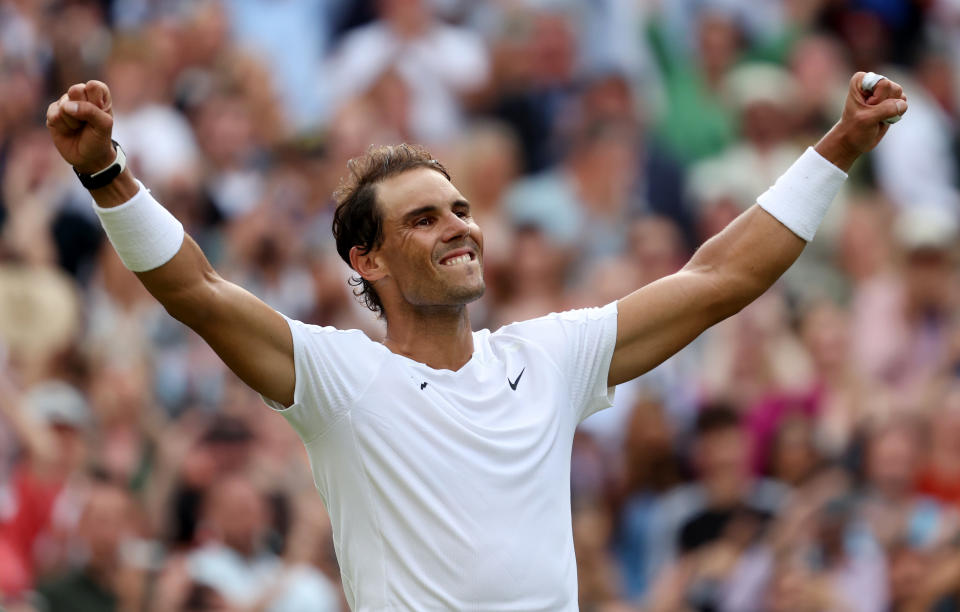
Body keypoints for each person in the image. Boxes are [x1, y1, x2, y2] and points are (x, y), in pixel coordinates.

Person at [44, 72, 907, 610]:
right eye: (424, 218)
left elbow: (721, 278)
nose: (461, 228)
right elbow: (195, 289)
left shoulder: (549, 358)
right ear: (365, 258)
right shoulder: (340, 380)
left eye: (461, 209)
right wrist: (103, 173)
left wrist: (838, 147)